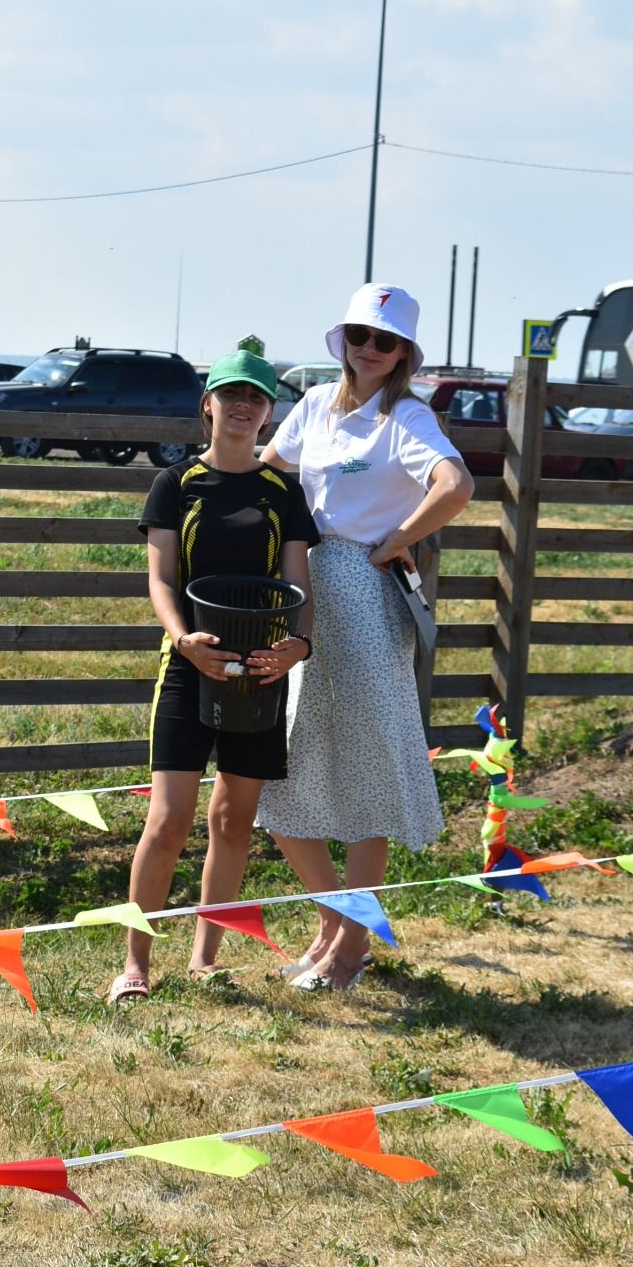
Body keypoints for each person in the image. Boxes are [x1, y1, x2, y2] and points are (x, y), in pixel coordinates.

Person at [256, 282, 474, 991]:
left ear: (404, 353)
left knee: (365, 771)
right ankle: (333, 921)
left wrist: (395, 540)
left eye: (385, 340)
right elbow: (269, 472)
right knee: (285, 763)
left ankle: (350, 946)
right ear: (341, 339)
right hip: (305, 591)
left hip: (362, 596)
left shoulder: (405, 416)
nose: (369, 349)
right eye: (359, 335)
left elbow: (456, 484)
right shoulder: (315, 405)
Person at [107, 348, 318, 1003]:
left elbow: (298, 587)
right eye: (230, 394)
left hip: (259, 673)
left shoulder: (283, 492)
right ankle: (134, 965)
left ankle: (205, 958)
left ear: (268, 413)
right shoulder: (175, 485)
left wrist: (296, 648)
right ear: (208, 404)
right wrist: (182, 640)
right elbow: (160, 579)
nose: (242, 406)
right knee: (168, 822)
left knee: (232, 821)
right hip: (187, 669)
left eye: (255, 397)